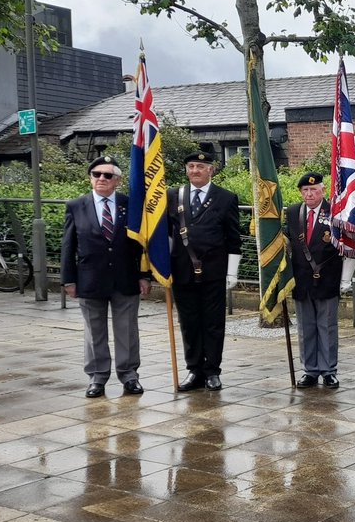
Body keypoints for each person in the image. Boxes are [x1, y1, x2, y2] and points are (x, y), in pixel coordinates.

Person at [60, 156, 151, 398]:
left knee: (127, 331)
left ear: (117, 181)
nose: (101, 178)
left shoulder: (130, 205)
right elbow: (68, 246)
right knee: (94, 331)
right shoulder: (76, 206)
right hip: (90, 279)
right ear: (90, 178)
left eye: (107, 175)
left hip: (125, 278)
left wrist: (144, 275)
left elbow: (140, 244)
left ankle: (129, 376)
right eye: (96, 174)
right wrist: (68, 279)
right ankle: (97, 378)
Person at [168, 149, 242, 392]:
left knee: (213, 323)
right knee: (189, 322)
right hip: (182, 270)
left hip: (214, 271)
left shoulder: (226, 198)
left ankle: (212, 370)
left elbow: (233, 238)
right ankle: (194, 369)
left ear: (211, 170)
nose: (195, 171)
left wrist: (232, 272)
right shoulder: (173, 196)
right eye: (191, 167)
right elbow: (166, 236)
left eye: (200, 167)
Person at [286, 172, 344, 389]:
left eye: (314, 189)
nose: (309, 194)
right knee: (305, 327)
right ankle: (310, 370)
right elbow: (289, 242)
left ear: (322, 190)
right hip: (301, 279)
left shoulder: (335, 211)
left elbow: (345, 246)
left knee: (327, 326)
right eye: (305, 190)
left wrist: (346, 279)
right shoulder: (293, 212)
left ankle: (329, 371)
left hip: (328, 278)